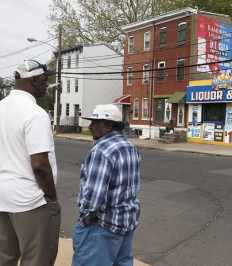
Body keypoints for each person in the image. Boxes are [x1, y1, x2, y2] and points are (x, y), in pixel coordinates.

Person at [0, 60, 61, 265]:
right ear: (34, 80)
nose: (47, 85)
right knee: (37, 260)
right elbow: (40, 165)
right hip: (30, 200)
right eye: (45, 80)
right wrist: (51, 196)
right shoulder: (35, 113)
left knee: (5, 258)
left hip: (2, 197)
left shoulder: (1, 108)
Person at [72, 104, 141, 266]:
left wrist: (84, 221)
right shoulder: (130, 148)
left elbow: (94, 198)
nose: (90, 127)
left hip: (103, 226)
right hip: (125, 223)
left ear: (109, 126)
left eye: (95, 123)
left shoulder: (101, 151)